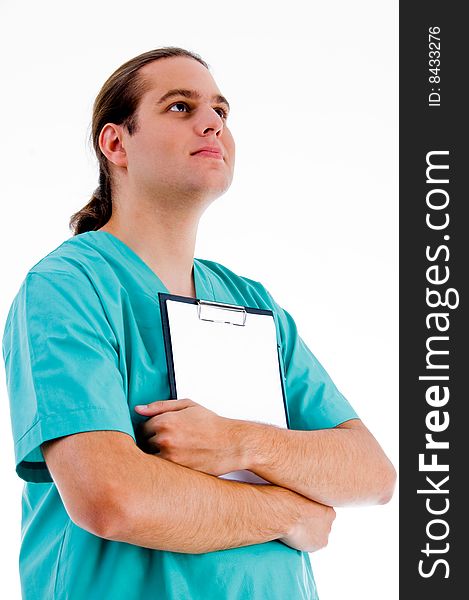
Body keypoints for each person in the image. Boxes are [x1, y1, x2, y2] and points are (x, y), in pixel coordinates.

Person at [2, 46, 396, 600]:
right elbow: (112, 498)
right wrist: (288, 512)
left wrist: (237, 443)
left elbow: (372, 474)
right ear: (117, 143)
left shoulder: (250, 302)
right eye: (180, 107)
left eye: (221, 111)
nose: (212, 121)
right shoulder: (69, 287)